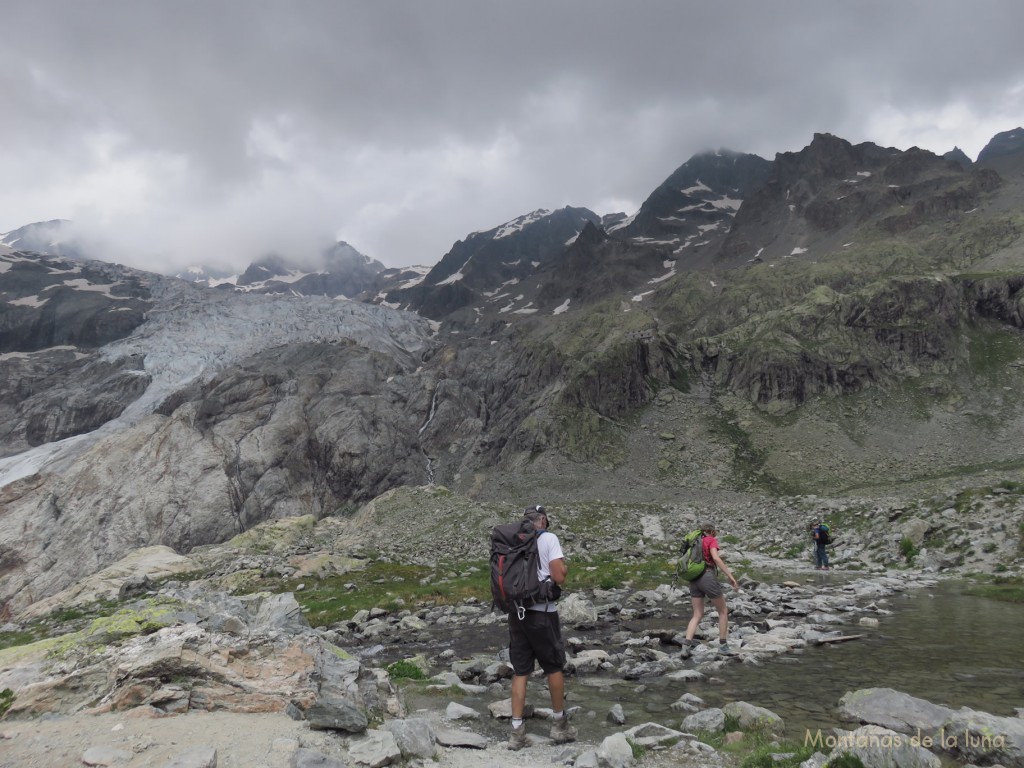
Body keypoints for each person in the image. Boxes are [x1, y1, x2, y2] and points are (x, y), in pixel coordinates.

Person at [507, 504, 577, 750]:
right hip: (543, 614)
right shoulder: (549, 538)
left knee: (520, 670)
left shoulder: (514, 541)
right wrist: (564, 568)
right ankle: (559, 725)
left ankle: (516, 732)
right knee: (553, 667)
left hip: (517, 614)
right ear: (544, 520)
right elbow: (558, 576)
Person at [683, 523, 741, 655]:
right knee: (723, 611)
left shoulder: (693, 542)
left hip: (693, 578)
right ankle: (723, 646)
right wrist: (730, 576)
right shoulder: (711, 540)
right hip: (707, 576)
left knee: (697, 614)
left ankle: (685, 647)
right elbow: (716, 558)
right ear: (711, 531)